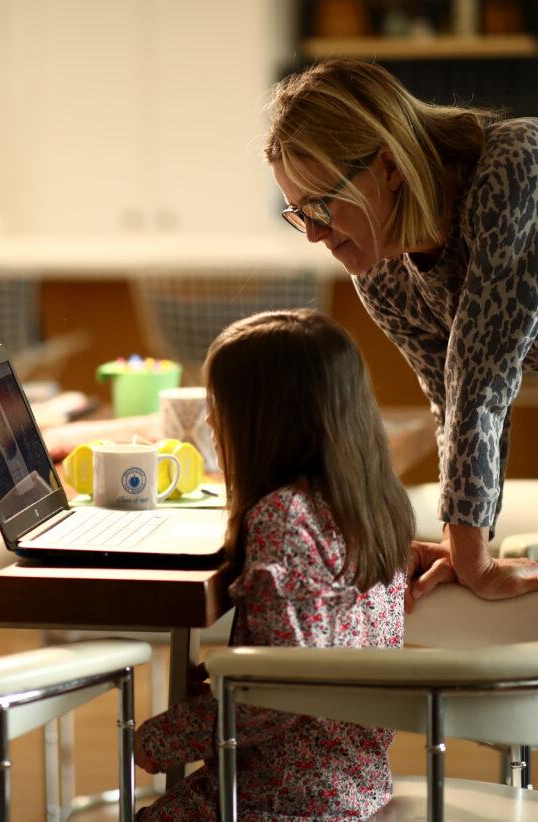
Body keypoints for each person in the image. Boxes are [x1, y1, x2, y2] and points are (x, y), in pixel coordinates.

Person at [265, 57, 538, 818]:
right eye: (295, 212)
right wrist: (471, 538)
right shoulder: (386, 267)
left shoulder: (523, 165)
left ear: (388, 166)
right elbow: (449, 394)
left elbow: (485, 371)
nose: (313, 234)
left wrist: (468, 547)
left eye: (323, 205)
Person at [134, 309, 419, 819]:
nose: (212, 421)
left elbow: (279, 692)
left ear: (259, 419)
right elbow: (306, 651)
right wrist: (229, 675)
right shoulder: (373, 503)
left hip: (283, 798)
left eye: (218, 405)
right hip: (356, 778)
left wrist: (158, 738)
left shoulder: (283, 520)